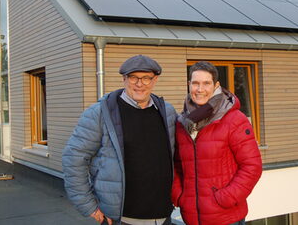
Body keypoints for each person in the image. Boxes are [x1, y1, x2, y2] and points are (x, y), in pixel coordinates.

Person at [62, 55, 177, 225]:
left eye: (146, 78)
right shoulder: (100, 113)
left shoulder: (167, 112)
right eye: (133, 77)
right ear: (124, 79)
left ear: (155, 80)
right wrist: (89, 206)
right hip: (121, 218)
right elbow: (73, 159)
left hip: (163, 215)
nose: (140, 84)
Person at [172, 61, 262, 225]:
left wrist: (225, 198)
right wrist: (179, 195)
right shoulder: (182, 122)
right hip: (192, 217)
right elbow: (177, 164)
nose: (200, 89)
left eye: (206, 83)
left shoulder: (234, 120)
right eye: (195, 83)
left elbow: (252, 166)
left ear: (216, 86)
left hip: (226, 217)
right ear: (189, 85)